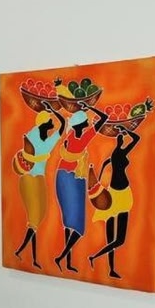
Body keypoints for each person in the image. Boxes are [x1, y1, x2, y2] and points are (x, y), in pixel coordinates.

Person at [53, 101, 108, 272]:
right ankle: (62, 257)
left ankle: (67, 262)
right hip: (73, 179)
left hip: (63, 177)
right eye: (85, 121)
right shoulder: (83, 138)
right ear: (81, 125)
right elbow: (104, 118)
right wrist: (89, 107)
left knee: (68, 222)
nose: (88, 122)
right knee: (77, 225)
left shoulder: (70, 136)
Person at [13, 102, 66, 268]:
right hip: (29, 179)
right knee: (34, 218)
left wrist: (54, 111)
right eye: (49, 120)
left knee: (39, 216)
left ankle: (30, 257)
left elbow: (62, 126)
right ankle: (23, 252)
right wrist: (39, 158)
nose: (52, 123)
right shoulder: (32, 136)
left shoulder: (48, 141)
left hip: (39, 178)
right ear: (43, 123)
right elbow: (27, 155)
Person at [89, 125, 140, 278]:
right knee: (114, 238)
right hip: (117, 194)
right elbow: (136, 138)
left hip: (122, 194)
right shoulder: (119, 153)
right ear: (120, 140)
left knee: (118, 239)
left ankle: (96, 258)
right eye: (121, 137)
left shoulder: (116, 154)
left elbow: (135, 139)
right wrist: (125, 129)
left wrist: (123, 130)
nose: (122, 138)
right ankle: (106, 266)